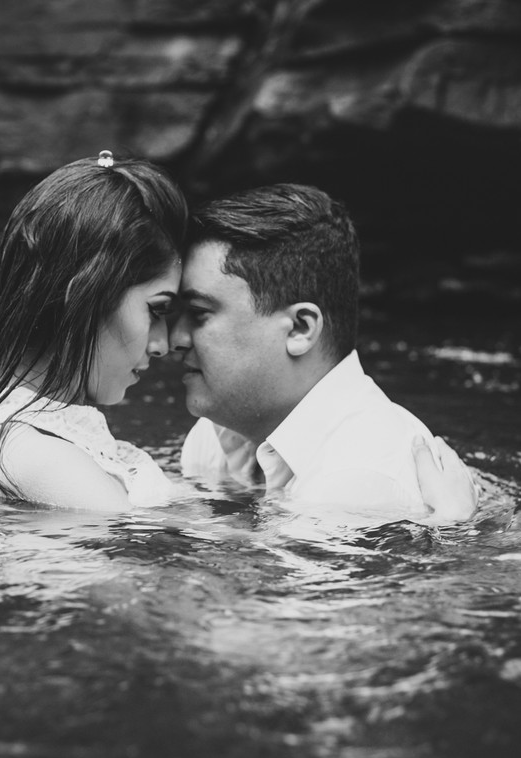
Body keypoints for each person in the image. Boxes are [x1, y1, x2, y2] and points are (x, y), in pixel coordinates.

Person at [174, 183, 478, 521]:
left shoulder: (360, 477)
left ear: (300, 329)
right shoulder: (219, 433)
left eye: (199, 313)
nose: (174, 338)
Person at [0, 151, 186, 511]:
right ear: (86, 295)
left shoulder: (29, 442)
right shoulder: (34, 457)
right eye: (157, 309)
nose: (163, 345)